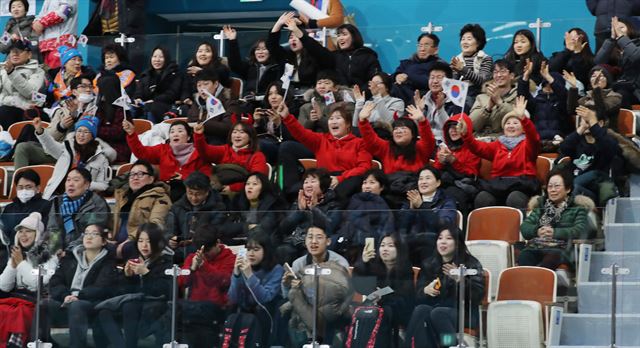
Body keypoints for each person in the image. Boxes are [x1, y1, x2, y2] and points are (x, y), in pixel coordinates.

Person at [404, 226, 484, 347]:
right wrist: (425, 291)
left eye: (449, 238)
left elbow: (477, 296)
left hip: (464, 313)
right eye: (440, 238)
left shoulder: (470, 263)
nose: (443, 242)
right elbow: (417, 297)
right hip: (435, 309)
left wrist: (461, 281)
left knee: (438, 313)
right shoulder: (429, 264)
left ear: (457, 243)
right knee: (421, 310)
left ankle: (450, 344)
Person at [40, 224, 117, 348]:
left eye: (94, 234)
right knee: (43, 304)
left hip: (91, 304)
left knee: (77, 305)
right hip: (67, 300)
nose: (89, 237)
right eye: (86, 233)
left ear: (103, 241)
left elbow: (102, 287)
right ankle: (44, 343)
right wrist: (65, 295)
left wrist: (78, 296)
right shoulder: (70, 257)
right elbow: (55, 282)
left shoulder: (108, 262)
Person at [98, 223, 172, 348]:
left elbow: (164, 290)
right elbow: (124, 292)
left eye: (148, 241)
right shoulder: (134, 259)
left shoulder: (165, 261)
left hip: (155, 305)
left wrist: (146, 273)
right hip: (135, 302)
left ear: (157, 243)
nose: (144, 245)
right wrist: (127, 276)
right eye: (140, 241)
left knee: (129, 306)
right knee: (104, 312)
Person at [279, 102, 372, 201]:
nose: (334, 122)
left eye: (338, 118)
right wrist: (287, 117)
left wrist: (340, 178)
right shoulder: (321, 140)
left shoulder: (360, 143)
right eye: (331, 119)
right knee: (294, 191)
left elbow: (364, 167)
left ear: (348, 124)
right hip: (323, 180)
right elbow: (300, 133)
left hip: (347, 180)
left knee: (352, 184)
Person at [280, 217, 351, 346]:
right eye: (310, 237)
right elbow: (287, 295)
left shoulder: (339, 263)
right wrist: (287, 285)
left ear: (328, 241)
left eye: (319, 237)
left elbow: (340, 295)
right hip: (306, 307)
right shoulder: (298, 264)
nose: (313, 242)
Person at [519, 169, 596, 285]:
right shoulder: (541, 206)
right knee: (525, 255)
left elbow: (579, 230)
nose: (552, 190)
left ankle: (536, 285)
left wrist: (554, 232)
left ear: (568, 189)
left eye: (557, 186)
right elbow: (525, 227)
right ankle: (528, 286)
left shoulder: (578, 208)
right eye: (550, 187)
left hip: (564, 248)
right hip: (538, 245)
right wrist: (538, 231)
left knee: (553, 255)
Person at [464, 96, 541, 210]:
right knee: (482, 198)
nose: (511, 126)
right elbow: (477, 147)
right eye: (508, 123)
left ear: (523, 128)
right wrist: (466, 134)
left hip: (521, 188)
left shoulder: (528, 144)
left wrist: (523, 119)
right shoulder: (497, 144)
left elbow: (534, 138)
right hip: (498, 187)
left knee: (514, 198)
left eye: (515, 123)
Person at [0, 213, 57, 347]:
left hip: (37, 301)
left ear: (37, 233)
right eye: (20, 231)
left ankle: (14, 345)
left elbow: (37, 283)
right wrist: (12, 267)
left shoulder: (49, 255)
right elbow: (3, 286)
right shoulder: (18, 253)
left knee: (20, 312)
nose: (23, 235)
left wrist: (20, 264)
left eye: (28, 231)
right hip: (16, 299)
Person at [178, 224, 235, 348]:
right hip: (193, 308)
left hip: (217, 307)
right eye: (203, 251)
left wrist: (204, 266)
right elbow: (181, 283)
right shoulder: (192, 258)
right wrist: (192, 269)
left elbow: (225, 281)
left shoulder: (230, 258)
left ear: (218, 243)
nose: (206, 254)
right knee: (171, 310)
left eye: (208, 250)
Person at [34, 116, 116, 199]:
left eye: (86, 132)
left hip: (83, 198)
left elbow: (103, 185)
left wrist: (84, 184)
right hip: (57, 195)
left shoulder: (101, 158)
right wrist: (40, 132)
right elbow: (50, 145)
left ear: (92, 136)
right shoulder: (67, 148)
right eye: (79, 131)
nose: (81, 135)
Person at [285, 19, 381, 90]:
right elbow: (315, 48)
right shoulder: (334, 56)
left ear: (354, 36)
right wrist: (298, 31)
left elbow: (374, 81)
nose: (340, 38)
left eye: (344, 34)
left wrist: (358, 94)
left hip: (362, 100)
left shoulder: (368, 56)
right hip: (337, 101)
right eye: (338, 35)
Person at [352, 232, 415, 335]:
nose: (385, 249)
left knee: (384, 311)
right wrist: (363, 263)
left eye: (390, 246)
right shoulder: (373, 266)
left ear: (399, 249)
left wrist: (381, 298)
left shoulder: (405, 268)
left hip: (397, 312)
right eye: (382, 245)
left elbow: (404, 296)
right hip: (374, 309)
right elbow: (358, 286)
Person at [228, 232, 284, 346]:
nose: (251, 254)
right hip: (245, 315)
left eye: (256, 249)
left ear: (266, 250)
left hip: (266, 316)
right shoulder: (244, 266)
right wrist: (236, 275)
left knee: (259, 311)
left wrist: (250, 276)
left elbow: (265, 299)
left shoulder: (276, 270)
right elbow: (233, 298)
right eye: (248, 250)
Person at [559, 105, 622, 206]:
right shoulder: (577, 141)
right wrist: (582, 127)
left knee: (574, 186)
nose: (586, 123)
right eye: (583, 120)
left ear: (600, 123)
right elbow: (564, 148)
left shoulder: (606, 141)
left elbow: (610, 148)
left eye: (588, 120)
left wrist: (593, 123)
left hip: (596, 190)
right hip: (576, 186)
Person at [278, 168, 341, 264]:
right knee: (283, 250)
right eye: (306, 182)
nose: (308, 185)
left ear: (323, 185)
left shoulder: (333, 204)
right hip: (296, 241)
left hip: (316, 243)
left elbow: (330, 227)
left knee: (309, 254)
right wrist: (299, 210)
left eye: (313, 181)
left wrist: (315, 209)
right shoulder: (299, 201)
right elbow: (284, 228)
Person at [398, 166, 458, 264]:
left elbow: (445, 225)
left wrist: (422, 206)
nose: (423, 182)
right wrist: (411, 210)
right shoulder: (410, 200)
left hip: (434, 247)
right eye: (421, 179)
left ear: (438, 182)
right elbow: (401, 227)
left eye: (428, 178)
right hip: (411, 246)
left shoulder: (446, 201)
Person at [124, 119, 213, 185]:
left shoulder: (200, 152)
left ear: (189, 137)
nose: (175, 134)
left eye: (180, 131)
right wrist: (131, 134)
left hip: (191, 192)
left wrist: (185, 178)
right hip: (165, 192)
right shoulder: (162, 149)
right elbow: (141, 153)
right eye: (172, 132)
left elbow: (206, 177)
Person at [113, 160, 172, 259]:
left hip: (141, 242)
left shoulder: (160, 197)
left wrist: (128, 240)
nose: (135, 177)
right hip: (118, 241)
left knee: (128, 248)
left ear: (151, 179)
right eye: (132, 174)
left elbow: (155, 224)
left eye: (140, 174)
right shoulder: (122, 197)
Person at [44, 168, 110, 255]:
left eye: (76, 180)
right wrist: (56, 249)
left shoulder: (97, 203)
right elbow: (52, 229)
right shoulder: (57, 202)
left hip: (85, 250)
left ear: (86, 185)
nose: (70, 184)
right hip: (61, 251)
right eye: (68, 180)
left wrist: (68, 252)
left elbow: (91, 234)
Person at [334, 169, 395, 262]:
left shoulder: (387, 205)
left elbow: (386, 230)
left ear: (381, 187)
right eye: (365, 183)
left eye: (372, 182)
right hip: (348, 246)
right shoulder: (351, 201)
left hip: (372, 249)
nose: (367, 186)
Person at [165, 171, 227, 262]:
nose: (194, 198)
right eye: (190, 193)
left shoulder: (218, 208)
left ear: (207, 192)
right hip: (179, 249)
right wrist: (171, 239)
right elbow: (170, 230)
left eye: (198, 194)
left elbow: (214, 233)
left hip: (203, 250)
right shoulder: (177, 207)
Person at [267, 12, 334, 94]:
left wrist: (296, 30)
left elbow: (315, 48)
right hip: (287, 94)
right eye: (291, 37)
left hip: (309, 93)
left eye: (296, 36)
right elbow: (271, 46)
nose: (293, 39)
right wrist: (278, 24)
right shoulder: (286, 56)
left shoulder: (313, 55)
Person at [193, 120, 268, 192]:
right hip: (217, 188)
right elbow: (205, 152)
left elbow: (257, 181)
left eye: (242, 132)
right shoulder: (225, 149)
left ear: (250, 137)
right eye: (234, 132)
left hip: (242, 193)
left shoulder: (257, 156)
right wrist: (199, 135)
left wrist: (233, 188)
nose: (237, 135)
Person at [359, 104, 435, 175]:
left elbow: (428, 140)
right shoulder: (386, 147)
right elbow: (371, 140)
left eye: (403, 128)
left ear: (413, 134)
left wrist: (422, 121)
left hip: (415, 186)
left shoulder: (420, 148)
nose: (398, 131)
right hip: (391, 186)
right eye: (396, 129)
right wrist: (363, 121)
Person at [433, 113, 482, 215]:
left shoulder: (473, 149)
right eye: (450, 128)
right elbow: (434, 172)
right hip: (443, 184)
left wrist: (453, 161)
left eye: (456, 127)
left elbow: (471, 174)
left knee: (450, 194)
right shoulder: (444, 148)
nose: (453, 130)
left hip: (463, 187)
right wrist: (440, 163)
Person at [518, 60, 569, 147]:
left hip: (560, 140)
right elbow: (522, 97)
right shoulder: (536, 102)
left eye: (551, 86)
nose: (548, 89)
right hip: (538, 141)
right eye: (546, 86)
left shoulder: (563, 102)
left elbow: (563, 95)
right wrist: (525, 76)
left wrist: (549, 78)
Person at [226, 173, 287, 244]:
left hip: (263, 243)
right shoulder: (238, 201)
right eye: (247, 184)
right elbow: (226, 228)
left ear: (263, 188)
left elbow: (265, 227)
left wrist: (241, 228)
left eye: (254, 184)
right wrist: (247, 227)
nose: (250, 187)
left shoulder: (271, 203)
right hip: (240, 242)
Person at [223, 25, 283, 98]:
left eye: (264, 49)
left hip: (269, 102)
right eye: (257, 49)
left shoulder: (277, 68)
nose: (260, 52)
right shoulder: (250, 67)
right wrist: (232, 41)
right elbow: (235, 64)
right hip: (250, 102)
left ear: (270, 52)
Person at [593, 16, 640, 108]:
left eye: (621, 27)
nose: (618, 30)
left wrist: (621, 37)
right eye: (615, 28)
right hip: (618, 87)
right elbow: (598, 61)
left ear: (630, 28)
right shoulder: (613, 47)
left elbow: (635, 56)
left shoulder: (638, 44)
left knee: (620, 95)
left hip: (635, 90)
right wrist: (611, 40)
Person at [0, 39, 45, 130]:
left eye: (20, 51)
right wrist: (11, 100)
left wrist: (12, 72)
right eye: (12, 51)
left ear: (29, 54)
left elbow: (31, 93)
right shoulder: (2, 69)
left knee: (5, 111)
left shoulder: (37, 71)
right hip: (4, 107)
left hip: (24, 112)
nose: (15, 54)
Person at [391, 33, 447, 106]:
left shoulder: (440, 66)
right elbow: (391, 77)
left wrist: (408, 78)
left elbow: (431, 82)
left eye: (426, 45)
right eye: (420, 45)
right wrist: (397, 76)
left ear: (435, 50)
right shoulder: (407, 63)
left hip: (423, 101)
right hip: (398, 99)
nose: (422, 49)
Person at [468, 59, 518, 135]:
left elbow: (518, 118)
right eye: (495, 72)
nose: (499, 75)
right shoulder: (482, 97)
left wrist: (500, 102)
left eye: (503, 71)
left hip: (505, 141)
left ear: (512, 76)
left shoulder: (518, 96)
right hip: (481, 141)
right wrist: (488, 108)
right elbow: (472, 125)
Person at [450, 24, 493, 111]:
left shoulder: (485, 58)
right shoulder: (457, 59)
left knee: (462, 104)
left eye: (469, 39)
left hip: (477, 94)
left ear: (478, 43)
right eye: (463, 39)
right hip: (458, 94)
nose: (465, 42)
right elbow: (452, 84)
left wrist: (463, 69)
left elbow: (483, 82)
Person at [134, 46, 182, 123]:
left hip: (165, 106)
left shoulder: (174, 74)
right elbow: (138, 91)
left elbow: (172, 94)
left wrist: (154, 100)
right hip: (145, 106)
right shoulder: (146, 74)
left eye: (161, 57)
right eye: (154, 56)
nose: (157, 60)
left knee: (151, 107)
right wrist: (138, 98)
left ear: (166, 59)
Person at [186, 69, 234, 144]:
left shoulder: (229, 103)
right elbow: (190, 122)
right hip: (196, 141)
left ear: (216, 84)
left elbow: (229, 128)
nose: (202, 89)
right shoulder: (196, 103)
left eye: (206, 84)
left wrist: (203, 125)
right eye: (199, 85)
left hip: (218, 143)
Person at [252, 81, 296, 164]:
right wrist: (256, 123)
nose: (273, 97)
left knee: (258, 144)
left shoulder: (292, 112)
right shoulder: (265, 112)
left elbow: (292, 138)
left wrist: (279, 123)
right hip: (265, 142)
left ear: (284, 96)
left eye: (277, 94)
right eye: (270, 94)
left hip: (281, 146)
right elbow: (257, 134)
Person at [0, 170, 51, 239]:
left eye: (28, 187)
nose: (24, 190)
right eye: (20, 187)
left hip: (35, 248)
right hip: (10, 248)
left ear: (38, 188)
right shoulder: (9, 208)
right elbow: (4, 232)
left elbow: (46, 232)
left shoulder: (46, 206)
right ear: (16, 188)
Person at [417, 61, 459, 141]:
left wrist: (440, 109)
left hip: (446, 145)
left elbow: (453, 131)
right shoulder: (421, 99)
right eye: (432, 77)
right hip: (425, 143)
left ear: (449, 81)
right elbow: (413, 129)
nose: (435, 81)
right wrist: (419, 112)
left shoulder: (456, 102)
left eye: (439, 78)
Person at [353, 72, 405, 137]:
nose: (374, 86)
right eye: (372, 84)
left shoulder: (397, 102)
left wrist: (377, 96)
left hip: (385, 137)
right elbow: (355, 126)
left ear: (387, 87)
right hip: (367, 137)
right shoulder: (368, 103)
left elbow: (389, 121)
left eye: (377, 83)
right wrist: (359, 104)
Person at [180, 41, 231, 105]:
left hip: (217, 104)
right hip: (194, 104)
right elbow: (185, 88)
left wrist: (202, 72)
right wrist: (186, 98)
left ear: (213, 55)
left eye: (207, 51)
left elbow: (222, 77)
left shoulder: (221, 68)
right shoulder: (191, 68)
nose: (203, 54)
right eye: (200, 51)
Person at [95, 74, 131, 162]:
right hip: (100, 143)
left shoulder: (122, 109)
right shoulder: (100, 106)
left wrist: (96, 130)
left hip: (118, 148)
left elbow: (117, 132)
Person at [31, 0, 77, 68]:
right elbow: (41, 15)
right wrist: (36, 22)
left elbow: (65, 10)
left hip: (62, 44)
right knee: (48, 75)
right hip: (46, 45)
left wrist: (42, 23)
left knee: (58, 74)